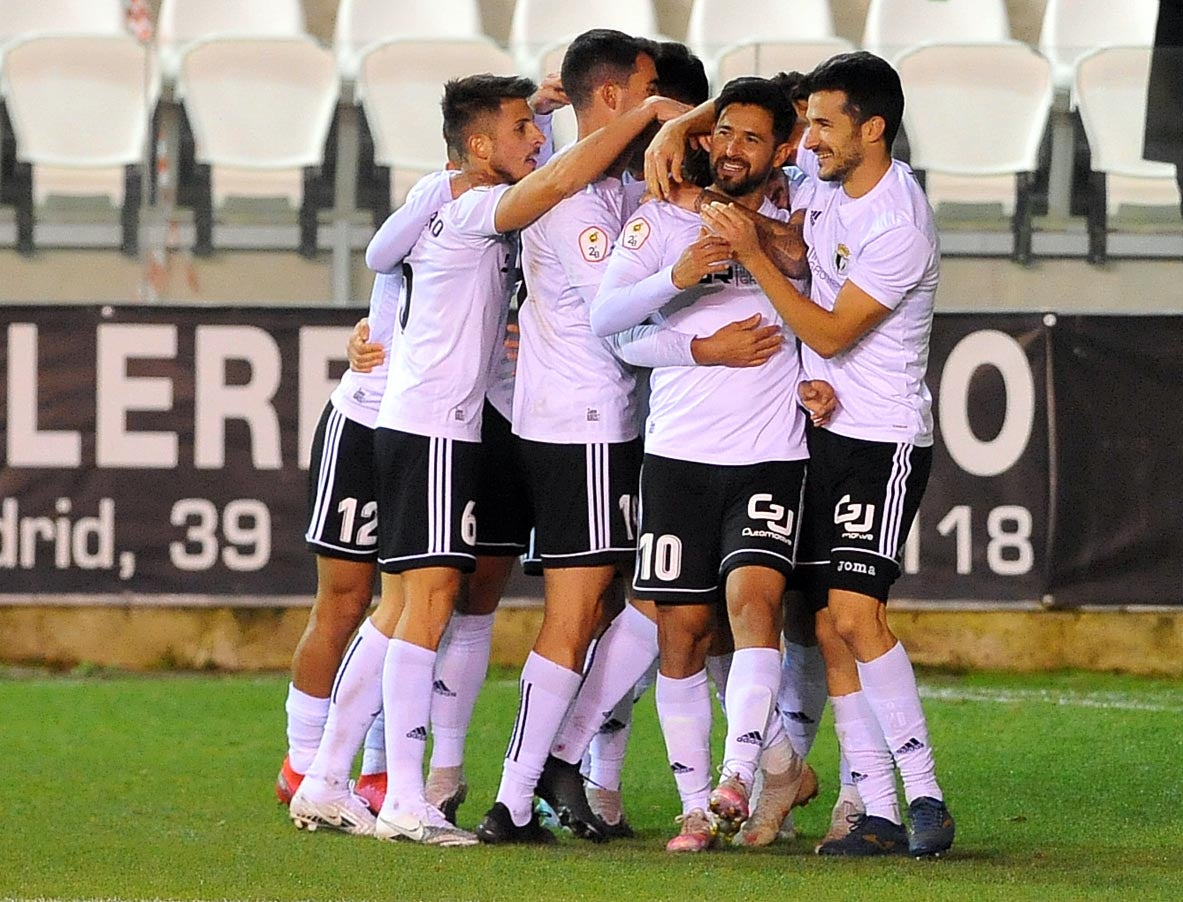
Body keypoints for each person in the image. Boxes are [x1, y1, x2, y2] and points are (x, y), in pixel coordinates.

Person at [353, 72, 683, 848]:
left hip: (456, 425)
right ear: (477, 146)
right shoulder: (472, 208)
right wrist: (649, 113)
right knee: (428, 608)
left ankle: (351, 776)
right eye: (520, 131)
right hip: (454, 427)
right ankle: (413, 792)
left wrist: (533, 109)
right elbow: (563, 179)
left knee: (415, 607)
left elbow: (381, 255)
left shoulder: (441, 198)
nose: (537, 143)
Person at [698, 51, 955, 858]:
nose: (805, 142)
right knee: (827, 622)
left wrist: (745, 252)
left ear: (871, 129)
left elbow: (832, 329)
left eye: (821, 125)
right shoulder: (836, 188)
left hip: (881, 444)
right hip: (828, 430)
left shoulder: (897, 225)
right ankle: (874, 809)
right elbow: (802, 246)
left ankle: (924, 795)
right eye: (804, 123)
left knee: (852, 614)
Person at [590, 77, 817, 853]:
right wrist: (680, 291)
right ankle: (697, 807)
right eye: (721, 133)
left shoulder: (805, 215)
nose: (728, 150)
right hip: (678, 457)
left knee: (754, 604)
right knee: (682, 633)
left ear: (784, 149)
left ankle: (739, 772)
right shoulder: (657, 222)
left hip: (769, 453)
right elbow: (606, 321)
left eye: (751, 138)